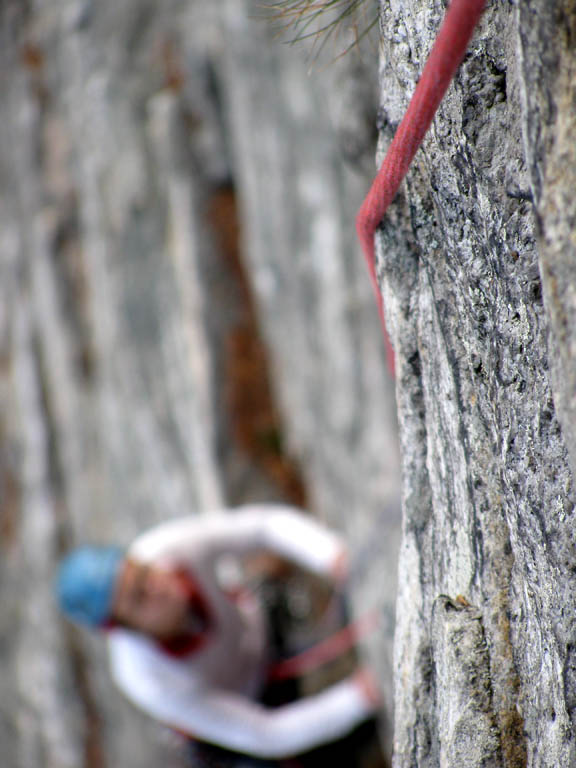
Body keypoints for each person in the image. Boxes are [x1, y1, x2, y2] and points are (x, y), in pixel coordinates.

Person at [56, 504, 385, 767]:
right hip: (244, 711)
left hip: (260, 630)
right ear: (124, 628)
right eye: (139, 598)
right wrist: (358, 699)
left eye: (143, 572)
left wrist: (330, 554)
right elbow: (263, 733)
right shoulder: (146, 678)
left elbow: (262, 526)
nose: (158, 586)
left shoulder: (166, 548)